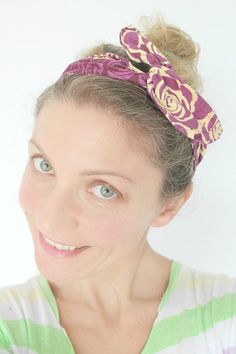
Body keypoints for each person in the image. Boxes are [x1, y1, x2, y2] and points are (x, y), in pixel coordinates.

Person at [0, 13, 235, 354]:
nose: (50, 219)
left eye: (103, 189)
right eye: (44, 165)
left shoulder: (225, 320)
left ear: (170, 204)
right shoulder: (9, 328)